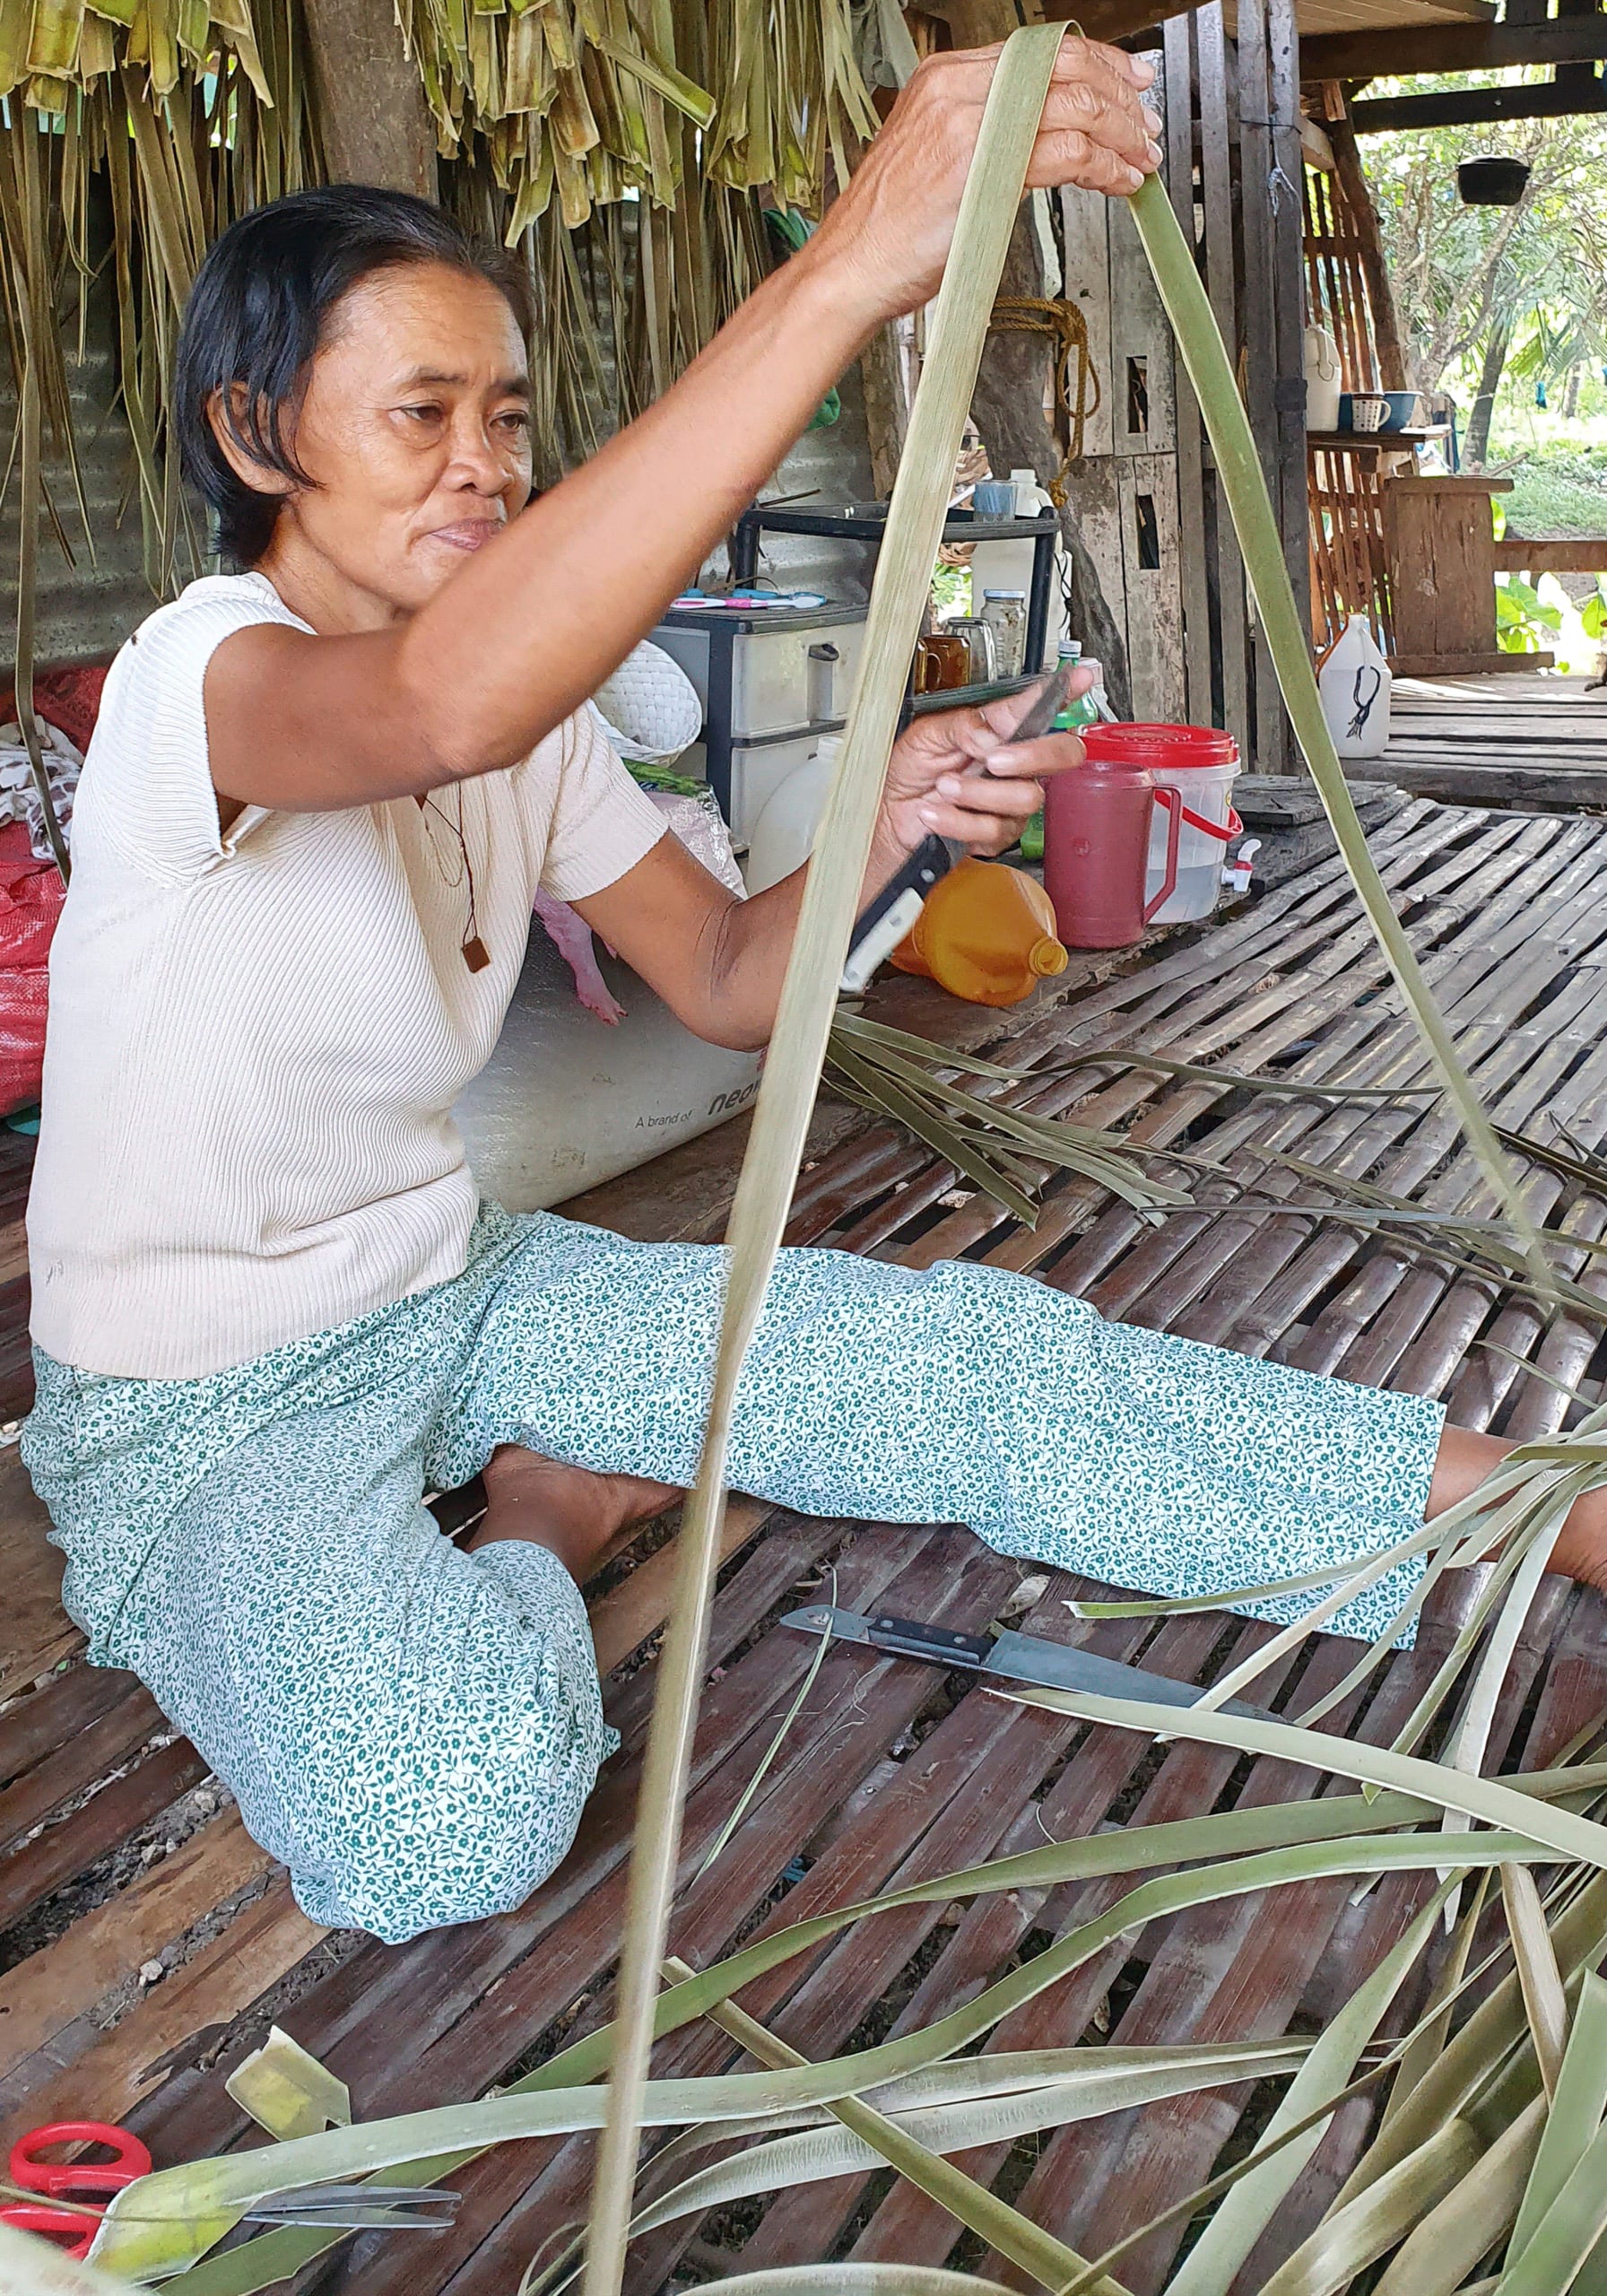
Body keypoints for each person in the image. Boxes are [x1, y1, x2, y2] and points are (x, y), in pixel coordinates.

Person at [20, 44, 1604, 1946]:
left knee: (961, 1368)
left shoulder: (531, 740)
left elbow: (721, 980)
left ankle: (1519, 1498)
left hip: (455, 1289)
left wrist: (879, 827)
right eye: (419, 413)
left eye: (509, 415)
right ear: (258, 435)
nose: (486, 462)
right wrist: (850, 261)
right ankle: (551, 1511)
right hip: (205, 1410)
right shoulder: (207, 680)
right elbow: (445, 698)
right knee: (441, 1816)